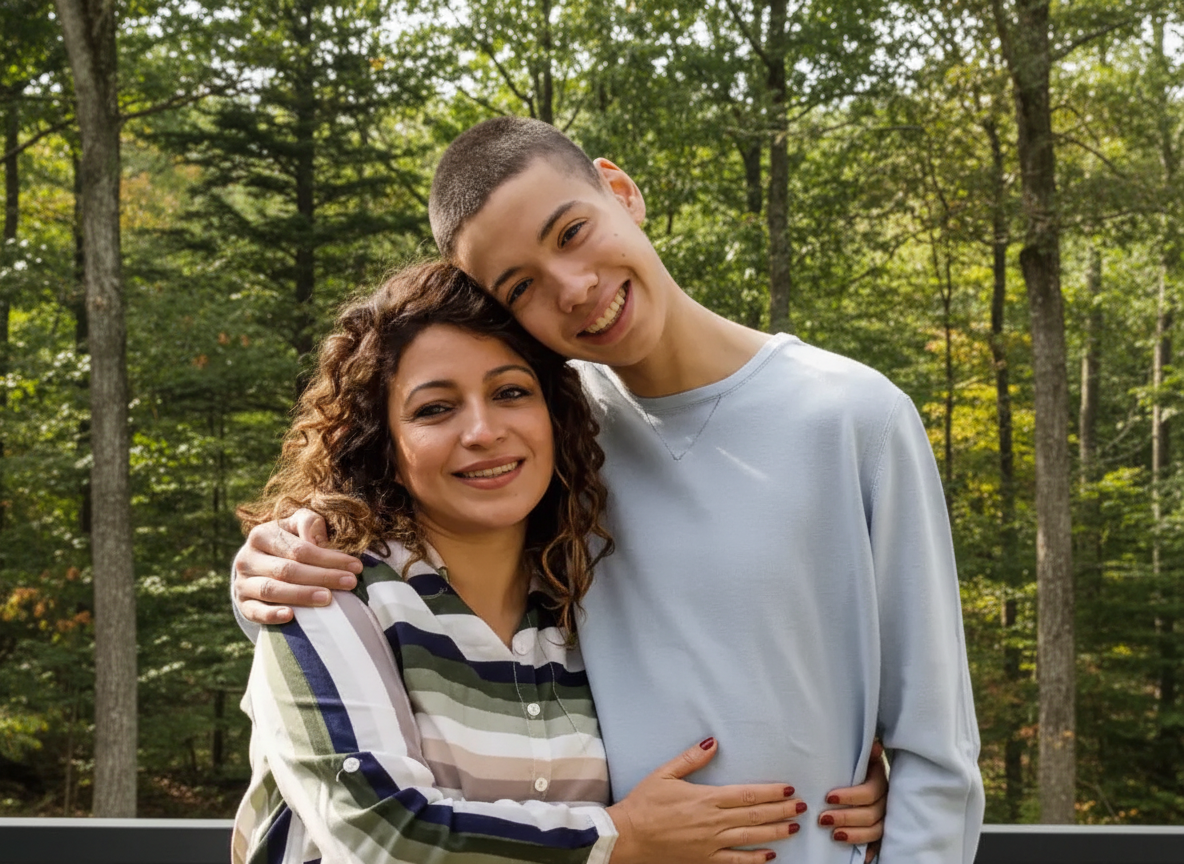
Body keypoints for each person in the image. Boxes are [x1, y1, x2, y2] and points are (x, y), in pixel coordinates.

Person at [235, 117, 982, 862]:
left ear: (621, 191)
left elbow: (935, 749)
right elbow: (404, 537)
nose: (575, 287)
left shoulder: (853, 416)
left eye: (571, 233)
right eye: (520, 285)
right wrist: (268, 572)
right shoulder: (547, 434)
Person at [232, 261, 819, 864]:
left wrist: (843, 788)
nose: (484, 431)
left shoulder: (588, 606)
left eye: (511, 392)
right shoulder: (325, 591)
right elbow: (383, 834)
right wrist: (620, 840)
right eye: (435, 408)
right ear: (381, 440)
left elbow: (704, 754)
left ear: (554, 418)